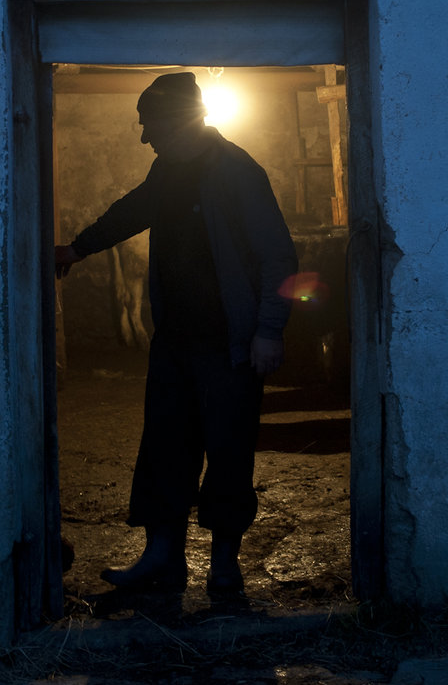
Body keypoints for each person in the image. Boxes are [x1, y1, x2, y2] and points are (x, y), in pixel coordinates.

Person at [54, 71, 298, 595]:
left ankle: (224, 568)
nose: (145, 136)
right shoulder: (167, 170)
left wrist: (268, 331)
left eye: (149, 124)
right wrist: (77, 249)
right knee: (165, 449)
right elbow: (132, 211)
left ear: (177, 119)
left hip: (229, 345)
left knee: (229, 454)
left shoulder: (238, 171)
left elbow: (279, 253)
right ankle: (162, 561)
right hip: (175, 342)